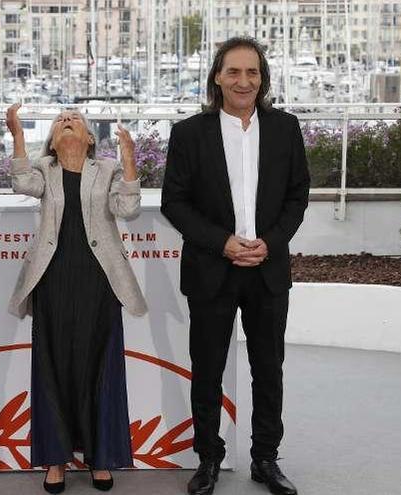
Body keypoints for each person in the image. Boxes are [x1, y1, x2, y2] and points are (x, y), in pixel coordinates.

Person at [161, 37, 310, 495]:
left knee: (269, 368)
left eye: (252, 73)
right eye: (234, 72)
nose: (243, 81)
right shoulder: (189, 133)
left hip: (267, 269)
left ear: (262, 79)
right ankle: (208, 458)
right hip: (212, 269)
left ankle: (266, 459)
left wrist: (270, 242)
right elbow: (175, 203)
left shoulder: (285, 128)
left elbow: (297, 195)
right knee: (206, 368)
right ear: (217, 78)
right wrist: (224, 243)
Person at [5, 104, 147, 493]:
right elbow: (21, 183)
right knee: (52, 367)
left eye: (76, 119)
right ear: (52, 139)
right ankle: (55, 460)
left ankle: (100, 457)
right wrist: (17, 136)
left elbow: (128, 209)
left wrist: (130, 159)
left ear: (88, 138)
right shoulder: (44, 171)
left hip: (100, 282)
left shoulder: (107, 170)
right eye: (60, 120)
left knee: (101, 368)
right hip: (53, 280)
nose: (67, 120)